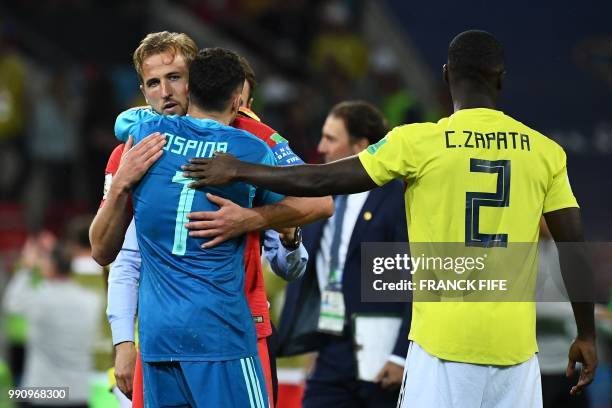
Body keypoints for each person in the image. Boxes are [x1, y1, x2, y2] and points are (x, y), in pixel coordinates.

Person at [182, 30, 599, 407]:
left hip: (442, 349)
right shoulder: (545, 152)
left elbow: (326, 176)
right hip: (516, 353)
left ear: (446, 75)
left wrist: (242, 169)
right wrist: (586, 335)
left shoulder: (418, 142)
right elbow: (573, 246)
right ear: (501, 78)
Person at [92, 31, 330, 407]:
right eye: (153, 83)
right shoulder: (137, 150)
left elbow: (289, 256)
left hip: (242, 328)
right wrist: (123, 340)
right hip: (163, 337)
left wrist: (257, 223)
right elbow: (124, 257)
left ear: (197, 78)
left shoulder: (251, 138)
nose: (166, 93)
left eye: (175, 78)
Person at [277, 100, 411, 407]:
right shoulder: (319, 197)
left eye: (331, 139)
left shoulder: (396, 200)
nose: (321, 147)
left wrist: (400, 355)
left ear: (361, 146)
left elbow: (411, 282)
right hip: (330, 351)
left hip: (379, 352)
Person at [2, 233, 101, 408]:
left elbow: (11, 302)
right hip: (78, 392)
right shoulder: (90, 301)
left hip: (41, 390)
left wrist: (28, 267)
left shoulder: (38, 298)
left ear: (51, 267)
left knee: (9, 395)